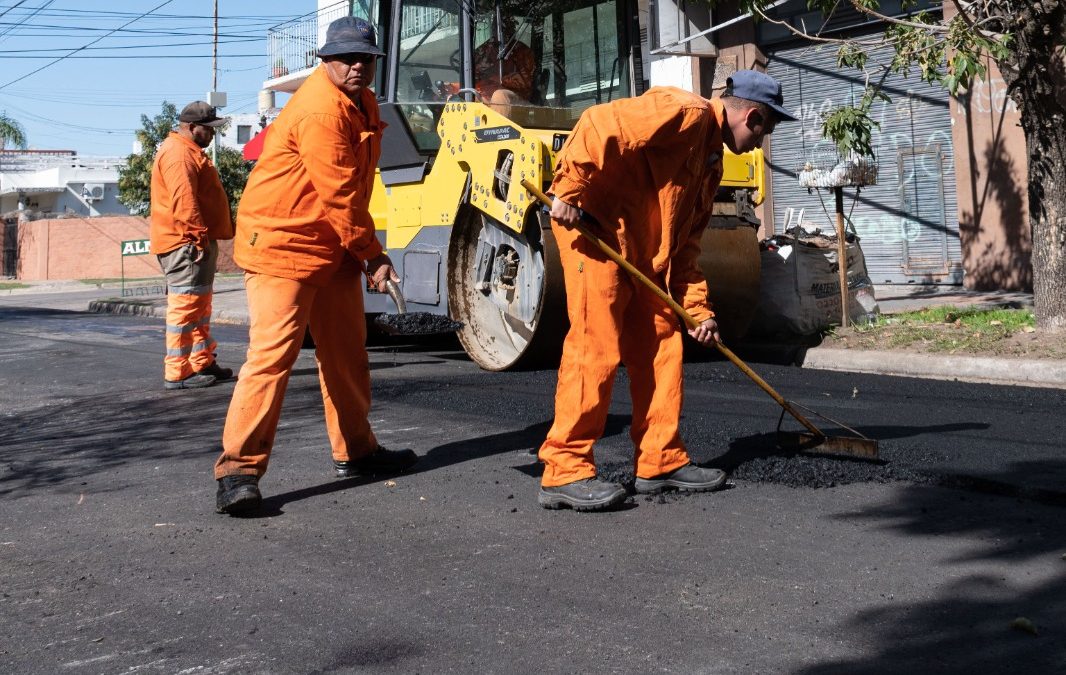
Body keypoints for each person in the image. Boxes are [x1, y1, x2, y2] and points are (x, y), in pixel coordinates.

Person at [537, 70, 797, 511]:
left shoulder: (710, 164)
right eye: (765, 131)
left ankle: (659, 461)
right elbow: (601, 122)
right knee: (597, 344)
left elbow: (685, 246)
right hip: (594, 230)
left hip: (643, 254)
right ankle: (565, 468)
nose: (760, 143)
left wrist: (698, 308)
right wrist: (569, 188)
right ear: (752, 116)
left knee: (662, 340)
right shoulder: (686, 113)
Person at [213, 16, 417, 515]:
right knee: (272, 358)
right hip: (282, 246)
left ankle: (357, 451)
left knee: (347, 353)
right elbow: (342, 193)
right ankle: (238, 471)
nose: (357, 66)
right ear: (324, 61)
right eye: (346, 58)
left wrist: (359, 251)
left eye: (365, 59)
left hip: (331, 246)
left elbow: (348, 198)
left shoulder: (361, 102)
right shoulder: (321, 111)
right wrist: (373, 254)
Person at [149, 101, 234, 390]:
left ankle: (201, 361)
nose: (212, 135)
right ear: (191, 127)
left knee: (199, 306)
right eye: (208, 130)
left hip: (191, 241)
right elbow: (184, 204)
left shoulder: (187, 151)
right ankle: (177, 372)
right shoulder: (178, 155)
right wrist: (198, 240)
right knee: (186, 307)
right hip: (186, 244)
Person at [473, 15, 537, 115]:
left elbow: (526, 82)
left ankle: (497, 130)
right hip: (486, 94)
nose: (501, 31)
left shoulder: (523, 52)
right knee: (467, 97)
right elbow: (472, 77)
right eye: (497, 26)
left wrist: (497, 80)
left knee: (500, 96)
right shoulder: (483, 51)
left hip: (516, 97)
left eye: (506, 27)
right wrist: (453, 87)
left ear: (513, 29)